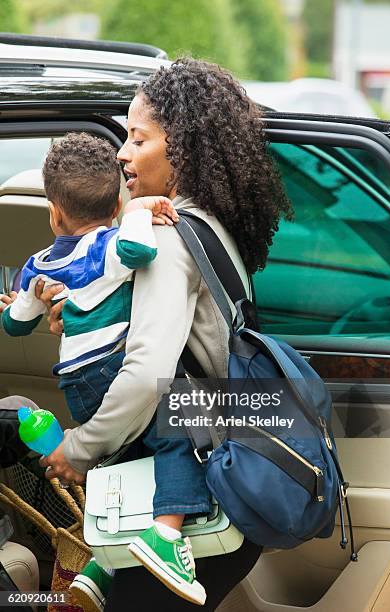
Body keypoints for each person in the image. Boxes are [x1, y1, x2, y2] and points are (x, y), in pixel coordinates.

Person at [5, 57, 292, 610]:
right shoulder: (206, 225)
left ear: (179, 150)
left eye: (138, 138)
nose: (121, 152)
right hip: (228, 475)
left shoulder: (164, 240)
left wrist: (78, 450)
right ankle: (99, 573)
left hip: (187, 502)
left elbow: (146, 376)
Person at [0, 133, 212, 607]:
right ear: (117, 203)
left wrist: (19, 305)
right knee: (178, 437)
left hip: (75, 380)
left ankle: (100, 566)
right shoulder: (113, 243)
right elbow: (141, 254)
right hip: (113, 368)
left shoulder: (37, 266)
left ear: (53, 213)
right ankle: (165, 536)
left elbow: (15, 325)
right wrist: (138, 216)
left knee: (122, 462)